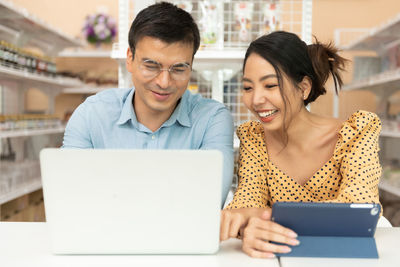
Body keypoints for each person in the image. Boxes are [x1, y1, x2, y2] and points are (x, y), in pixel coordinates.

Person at [220, 31, 382, 258]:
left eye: (270, 85)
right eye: (248, 87)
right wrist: (246, 221)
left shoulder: (356, 133)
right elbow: (247, 200)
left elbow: (359, 208)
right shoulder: (254, 138)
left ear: (304, 88)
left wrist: (260, 215)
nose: (255, 99)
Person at [62, 2, 234, 206]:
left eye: (178, 69)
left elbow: (208, 203)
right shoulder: (91, 114)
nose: (164, 82)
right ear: (130, 59)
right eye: (151, 66)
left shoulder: (212, 119)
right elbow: (71, 197)